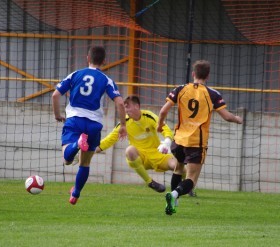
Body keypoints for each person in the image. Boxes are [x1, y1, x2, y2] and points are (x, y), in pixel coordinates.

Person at [158, 60, 243, 215]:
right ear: (208, 76)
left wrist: (160, 125)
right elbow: (226, 117)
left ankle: (172, 204)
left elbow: (163, 111)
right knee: (192, 178)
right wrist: (237, 119)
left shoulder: (180, 89)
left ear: (193, 74)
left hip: (179, 140)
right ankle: (174, 195)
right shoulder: (212, 94)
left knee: (178, 169)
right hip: (197, 142)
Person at [52, 46, 127, 205]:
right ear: (104, 61)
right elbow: (120, 103)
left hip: (75, 120)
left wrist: (58, 115)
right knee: (85, 163)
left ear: (88, 58)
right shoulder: (106, 80)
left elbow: (55, 95)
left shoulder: (75, 74)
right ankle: (75, 194)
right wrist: (123, 125)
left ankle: (76, 144)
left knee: (66, 157)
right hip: (94, 125)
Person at [94, 95, 181, 193]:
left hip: (157, 155)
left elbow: (165, 128)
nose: (125, 110)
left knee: (179, 166)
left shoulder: (149, 116)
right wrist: (91, 150)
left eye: (127, 107)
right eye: (124, 107)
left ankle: (184, 187)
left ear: (137, 106)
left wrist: (167, 141)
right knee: (129, 150)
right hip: (141, 157)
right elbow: (108, 140)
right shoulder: (124, 124)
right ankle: (150, 182)